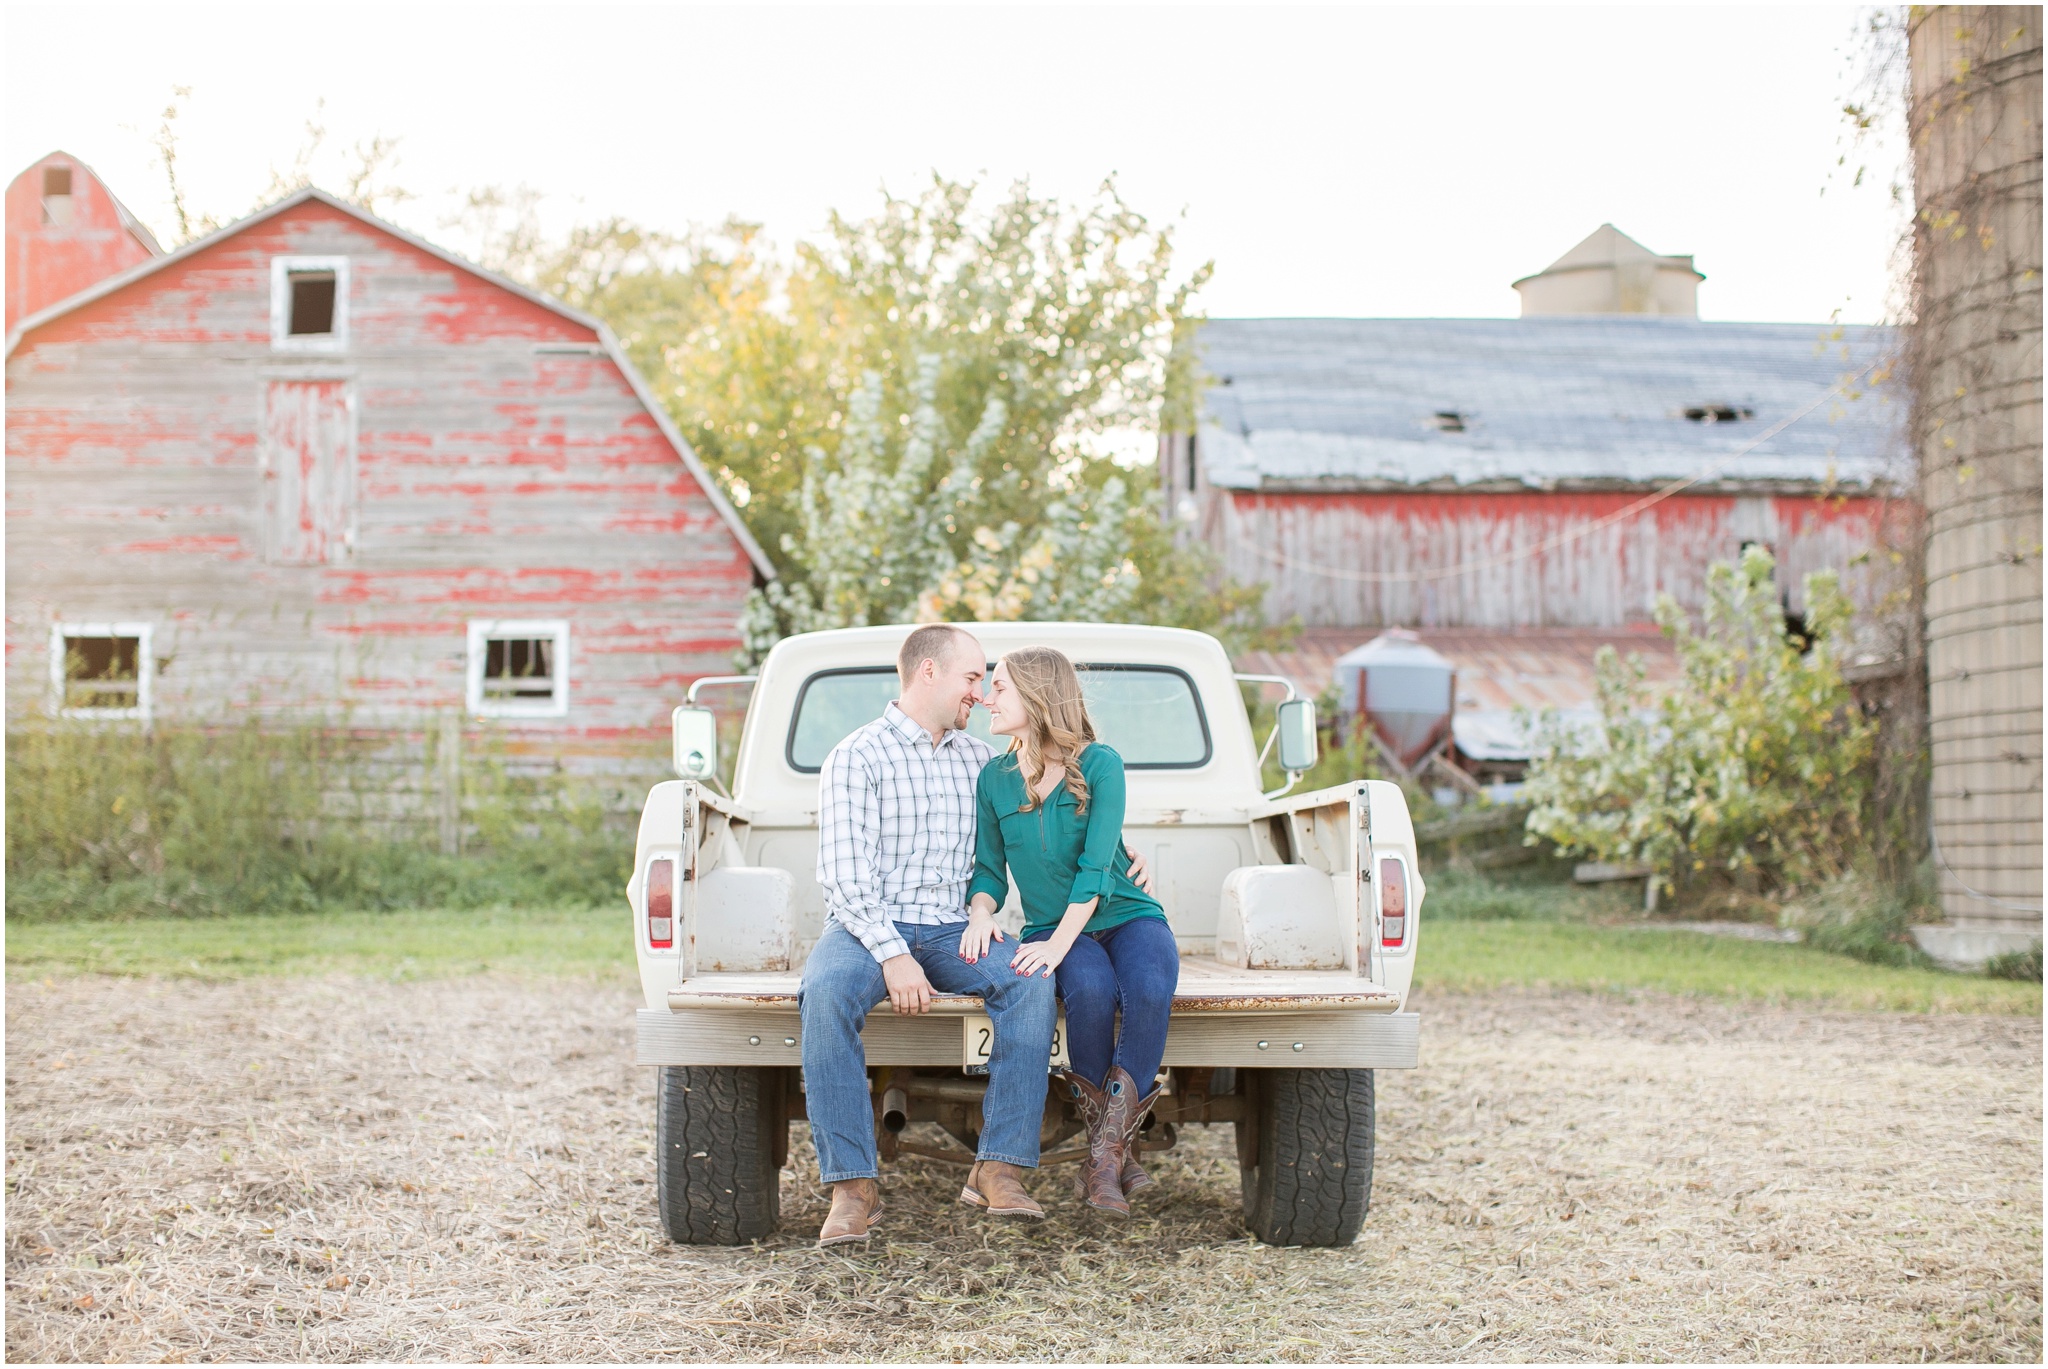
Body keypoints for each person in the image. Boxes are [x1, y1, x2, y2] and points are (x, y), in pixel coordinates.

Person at [797, 624, 1154, 1246]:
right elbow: (844, 879)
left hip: (953, 929)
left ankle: (998, 1168)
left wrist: (1122, 851)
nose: (981, 695)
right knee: (823, 994)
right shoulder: (856, 756)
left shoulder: (980, 762)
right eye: (971, 679)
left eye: (989, 683)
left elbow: (1059, 810)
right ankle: (853, 1187)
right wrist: (892, 957)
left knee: (1028, 983)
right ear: (927, 673)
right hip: (865, 928)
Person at [962, 646, 1179, 1218]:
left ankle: (1102, 1159)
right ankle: (1114, 1156)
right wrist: (981, 912)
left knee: (1151, 990)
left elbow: (1094, 868)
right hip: (1052, 927)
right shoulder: (995, 778)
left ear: (1037, 697)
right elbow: (988, 870)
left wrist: (1057, 944)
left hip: (1126, 914)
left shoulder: (1101, 763)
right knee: (1088, 992)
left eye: (1000, 687)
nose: (987, 696)